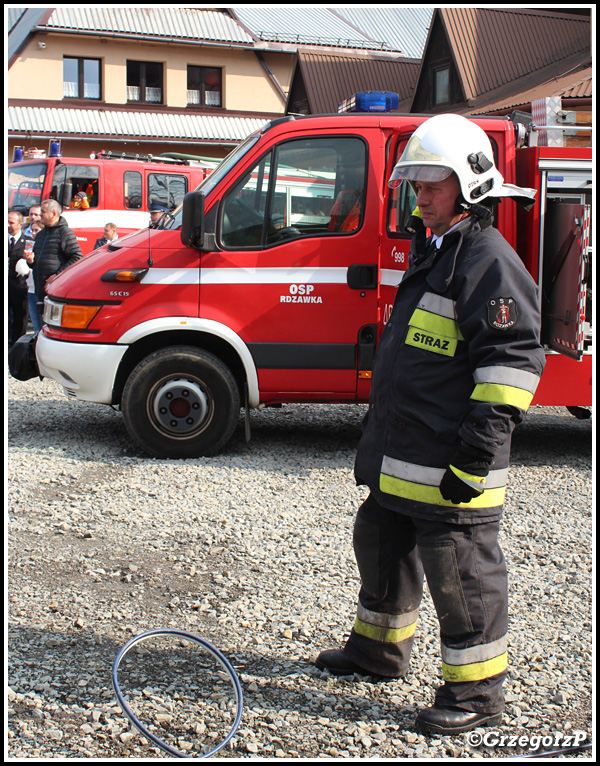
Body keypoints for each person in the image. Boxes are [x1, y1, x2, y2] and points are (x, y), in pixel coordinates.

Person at [314, 114, 546, 736]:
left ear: (470, 186)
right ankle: (377, 650)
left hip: (450, 461)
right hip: (404, 457)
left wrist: (475, 456)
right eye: (414, 187)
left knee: (459, 569)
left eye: (432, 186)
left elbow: (513, 366)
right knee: (381, 543)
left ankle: (475, 693)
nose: (421, 199)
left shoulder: (488, 262)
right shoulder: (438, 251)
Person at [33, 199, 83, 306]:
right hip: (38, 291)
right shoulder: (40, 235)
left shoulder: (65, 233)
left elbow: (77, 257)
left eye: (43, 211)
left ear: (53, 214)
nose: (40, 214)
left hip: (54, 293)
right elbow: (36, 262)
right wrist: (30, 261)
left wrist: (57, 275)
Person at [8, 210, 29, 347]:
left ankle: (17, 346)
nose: (7, 225)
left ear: (20, 224)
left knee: (20, 318)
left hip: (20, 286)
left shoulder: (27, 243)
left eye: (11, 222)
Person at [24, 221, 44, 333]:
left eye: (37, 230)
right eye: (32, 230)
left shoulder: (45, 246)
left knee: (43, 326)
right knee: (36, 327)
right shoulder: (29, 245)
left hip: (41, 289)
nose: (34, 233)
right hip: (31, 288)